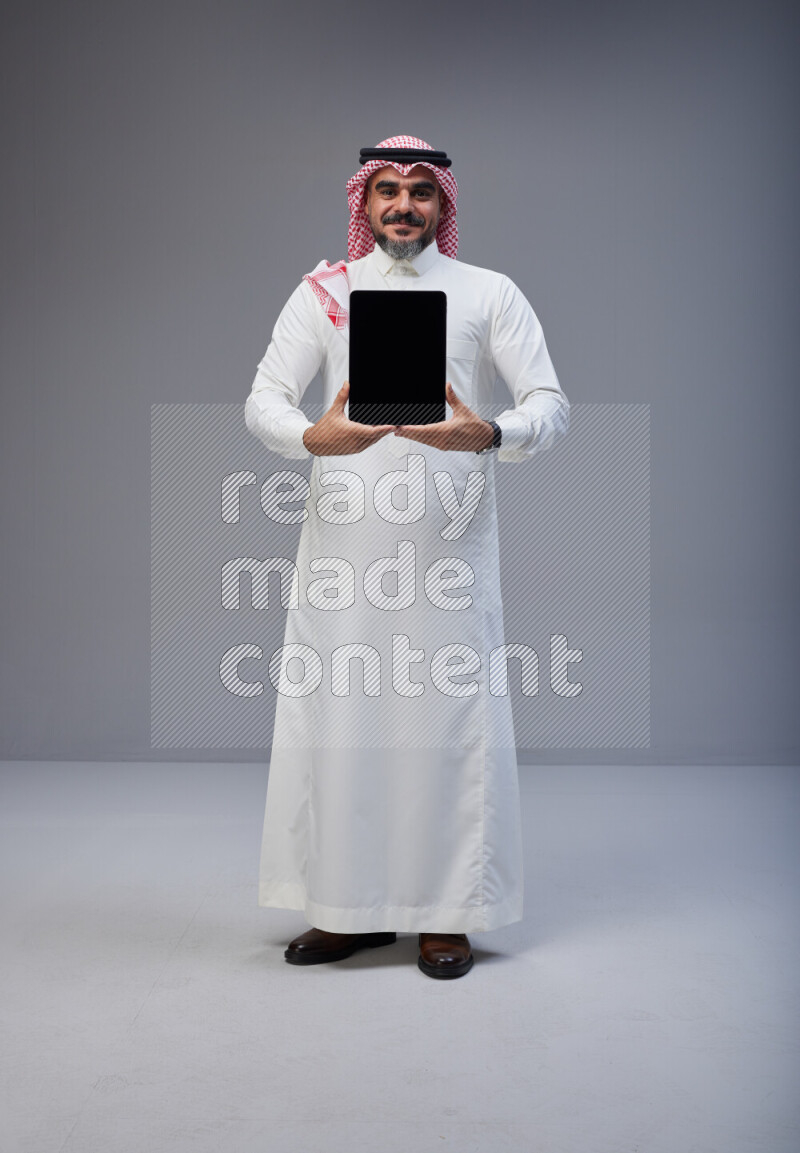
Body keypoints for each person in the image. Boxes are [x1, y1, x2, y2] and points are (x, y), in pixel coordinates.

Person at [244, 135, 569, 979]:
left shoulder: (488, 293)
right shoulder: (326, 290)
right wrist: (310, 436)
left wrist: (491, 432)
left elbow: (550, 404)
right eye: (386, 189)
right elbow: (264, 401)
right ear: (364, 200)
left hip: (448, 547)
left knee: (446, 727)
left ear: (442, 205)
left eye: (419, 192)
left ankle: (445, 915)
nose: (402, 206)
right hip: (345, 547)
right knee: (345, 726)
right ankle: (348, 910)